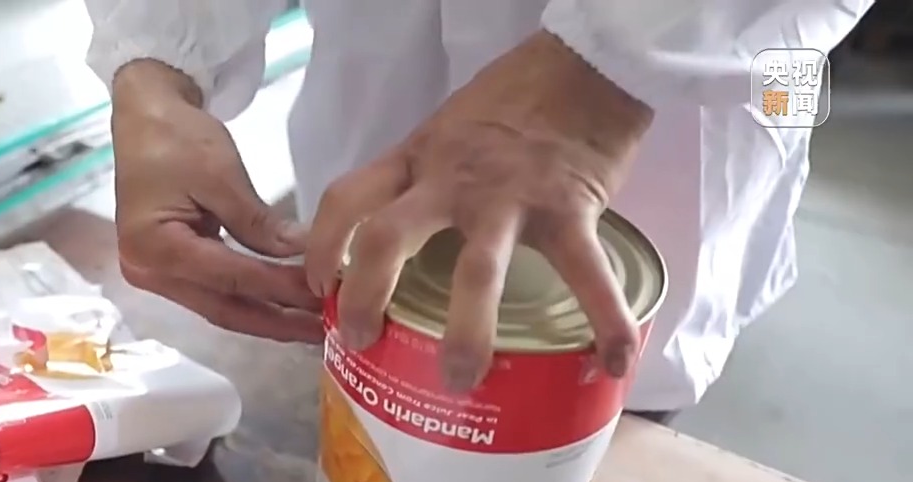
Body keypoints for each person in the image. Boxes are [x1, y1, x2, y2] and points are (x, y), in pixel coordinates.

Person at [83, 0, 873, 422]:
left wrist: (602, 74)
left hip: (697, 100)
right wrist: (153, 62)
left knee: (613, 405)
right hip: (369, 139)